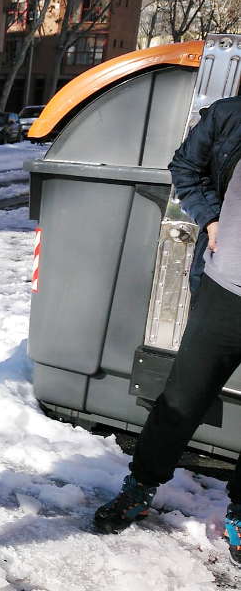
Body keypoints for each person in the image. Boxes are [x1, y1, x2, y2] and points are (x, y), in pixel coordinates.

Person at [93, 95, 241, 564]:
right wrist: (212, 218)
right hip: (225, 288)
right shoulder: (230, 116)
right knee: (181, 398)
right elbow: (186, 166)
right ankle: (139, 489)